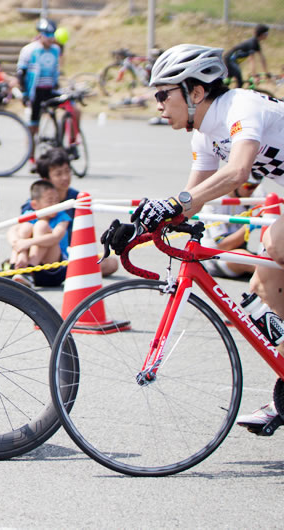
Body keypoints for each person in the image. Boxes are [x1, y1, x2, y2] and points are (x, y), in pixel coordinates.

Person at [138, 44, 284, 434]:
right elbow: (188, 201)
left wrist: (177, 203)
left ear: (196, 92)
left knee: (275, 243)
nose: (158, 104)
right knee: (265, 283)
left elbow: (237, 172)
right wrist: (142, 226)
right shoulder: (203, 135)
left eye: (163, 94)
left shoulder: (241, 107)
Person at [15, 147, 118, 279]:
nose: (65, 177)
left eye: (67, 172)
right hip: (39, 250)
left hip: (69, 252)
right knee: (39, 228)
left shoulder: (78, 198)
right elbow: (23, 232)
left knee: (111, 263)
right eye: (58, 174)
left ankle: (70, 270)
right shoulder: (34, 204)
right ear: (46, 179)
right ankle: (28, 269)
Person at [17, 18, 81, 171]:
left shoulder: (56, 50)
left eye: (52, 35)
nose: (50, 38)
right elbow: (21, 73)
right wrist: (25, 93)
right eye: (47, 35)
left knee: (74, 109)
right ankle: (32, 159)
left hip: (50, 89)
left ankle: (72, 144)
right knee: (33, 128)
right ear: (40, 35)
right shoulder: (29, 50)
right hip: (35, 92)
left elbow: (56, 70)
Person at [6, 179, 70, 287]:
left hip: (53, 269)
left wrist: (28, 243)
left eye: (57, 200)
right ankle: (16, 267)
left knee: (42, 226)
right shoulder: (29, 215)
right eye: (50, 201)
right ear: (35, 204)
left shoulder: (62, 217)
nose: (55, 204)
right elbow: (11, 231)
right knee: (25, 227)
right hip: (24, 263)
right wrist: (21, 251)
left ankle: (29, 271)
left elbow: (56, 237)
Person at [200, 174, 262, 279]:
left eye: (256, 186)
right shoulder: (215, 203)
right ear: (236, 184)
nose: (252, 190)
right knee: (254, 261)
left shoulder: (251, 196)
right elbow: (223, 245)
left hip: (238, 252)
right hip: (214, 258)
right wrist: (248, 227)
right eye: (249, 186)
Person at [224, 24, 270, 89]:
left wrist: (267, 73)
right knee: (240, 82)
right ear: (262, 34)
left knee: (227, 82)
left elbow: (262, 59)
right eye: (267, 33)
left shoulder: (256, 43)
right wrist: (254, 75)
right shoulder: (252, 43)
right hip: (230, 60)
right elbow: (251, 60)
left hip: (232, 61)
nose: (267, 35)